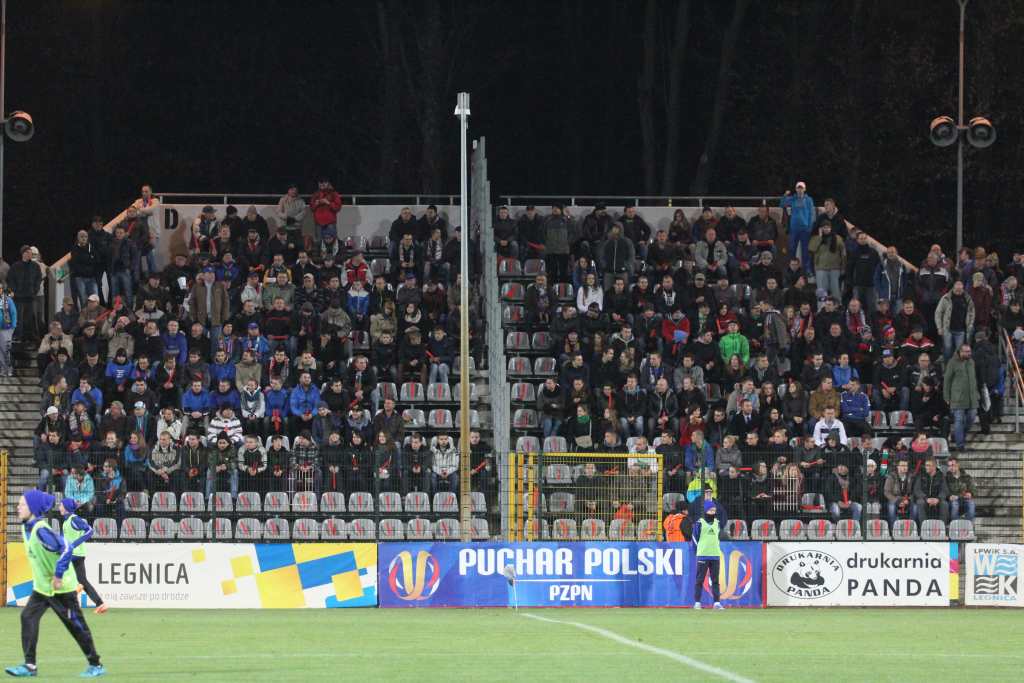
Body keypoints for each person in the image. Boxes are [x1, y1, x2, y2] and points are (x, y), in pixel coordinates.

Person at [5, 490, 104, 678]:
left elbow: (66, 548)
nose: (18, 507)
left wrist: (58, 575)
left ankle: (96, 664)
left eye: (22, 504)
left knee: (75, 626)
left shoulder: (41, 530)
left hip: (62, 588)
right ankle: (30, 666)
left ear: (33, 509)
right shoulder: (26, 527)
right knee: (27, 617)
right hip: (43, 588)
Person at [58, 497, 107, 614]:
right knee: (83, 580)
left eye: (61, 505)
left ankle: (74, 591)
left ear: (66, 508)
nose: (59, 507)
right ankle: (100, 604)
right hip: (76, 554)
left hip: (74, 554)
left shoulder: (74, 519)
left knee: (59, 573)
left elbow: (90, 531)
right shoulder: (66, 521)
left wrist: (73, 544)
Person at [943, 343, 978, 451]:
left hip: (972, 398)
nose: (969, 353)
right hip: (957, 398)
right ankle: (960, 445)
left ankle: (957, 435)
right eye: (967, 352)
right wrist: (946, 396)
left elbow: (974, 379)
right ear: (960, 352)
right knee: (959, 421)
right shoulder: (952, 362)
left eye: (970, 351)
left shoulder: (971, 362)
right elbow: (947, 380)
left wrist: (977, 393)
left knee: (971, 418)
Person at [692, 499, 724, 610]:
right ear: (705, 511)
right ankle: (697, 603)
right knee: (699, 580)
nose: (712, 512)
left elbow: (717, 538)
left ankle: (717, 603)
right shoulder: (699, 523)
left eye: (714, 510)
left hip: (715, 555)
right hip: (703, 555)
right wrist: (697, 552)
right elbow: (694, 538)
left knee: (715, 580)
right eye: (710, 510)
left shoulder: (717, 523)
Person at [780, 181, 815, 272]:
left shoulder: (809, 200)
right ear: (796, 189)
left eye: (801, 188)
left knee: (805, 251)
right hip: (794, 229)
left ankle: (806, 270)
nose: (800, 190)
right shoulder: (793, 198)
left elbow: (811, 214)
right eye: (798, 188)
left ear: (805, 189)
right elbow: (782, 204)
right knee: (792, 249)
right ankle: (791, 269)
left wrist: (809, 227)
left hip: (805, 229)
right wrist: (785, 195)